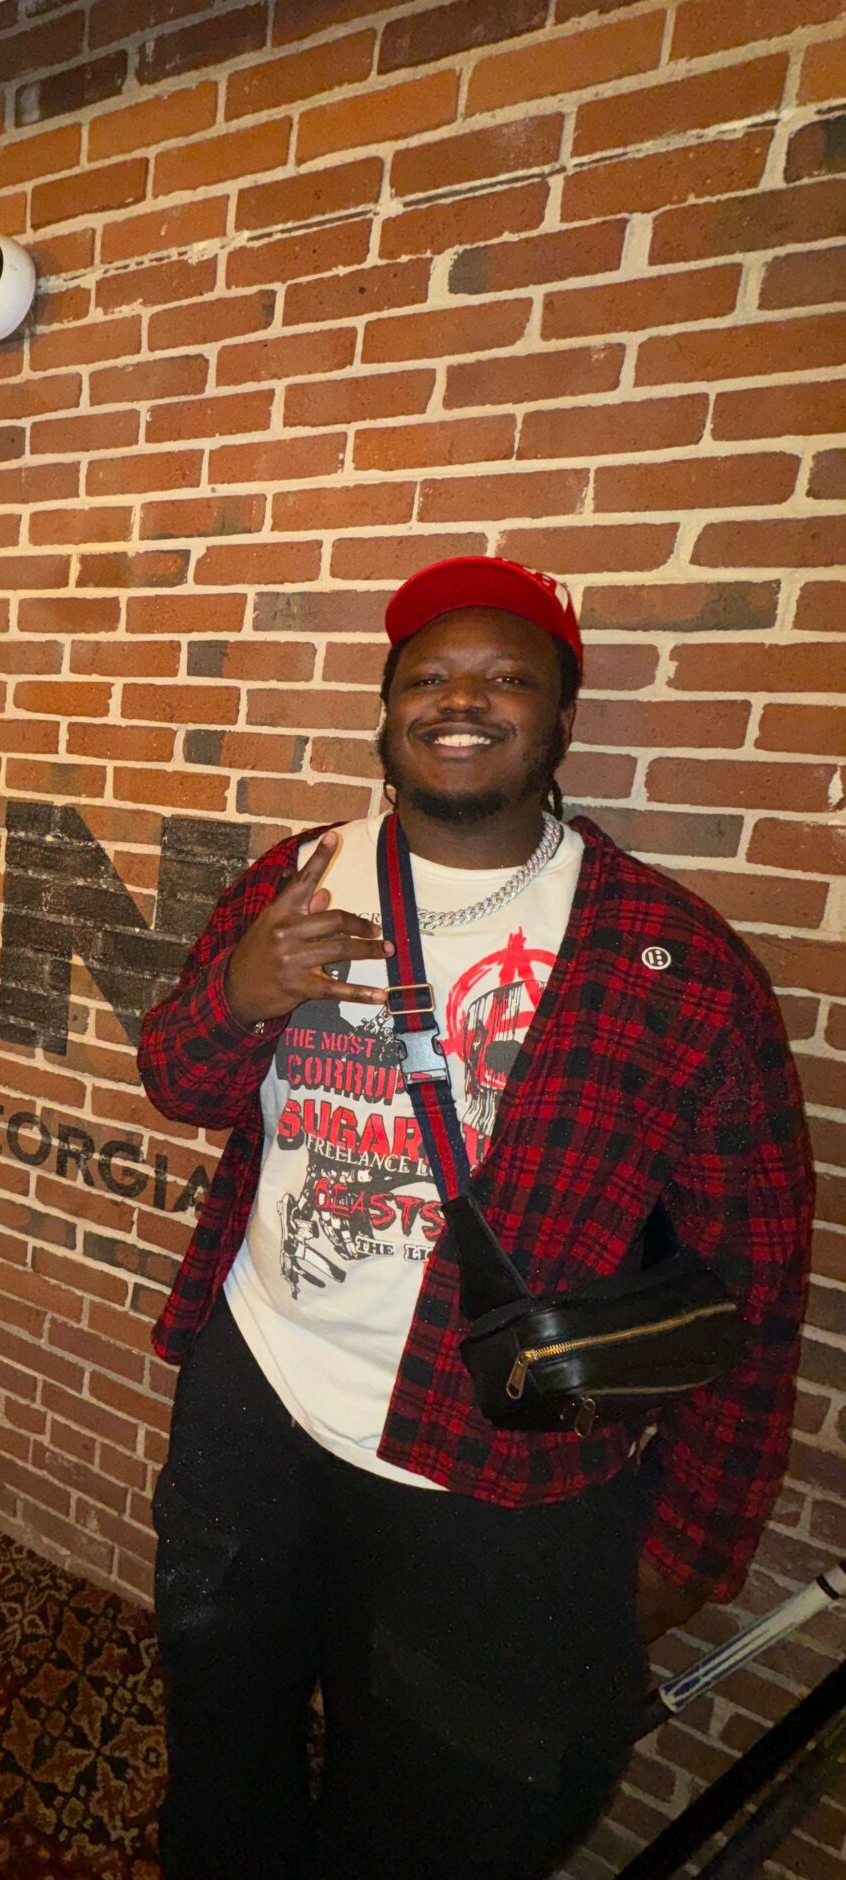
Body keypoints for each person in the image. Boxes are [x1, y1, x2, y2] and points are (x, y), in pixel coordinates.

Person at [138, 555, 814, 1880]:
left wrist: (696, 1535)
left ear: (561, 721)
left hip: (500, 1486)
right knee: (224, 1749)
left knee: (444, 1821)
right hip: (253, 1411)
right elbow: (178, 1077)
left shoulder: (674, 966)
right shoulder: (298, 878)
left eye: (509, 677)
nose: (464, 698)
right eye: (429, 676)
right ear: (385, 712)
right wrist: (244, 990)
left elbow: (757, 1286)